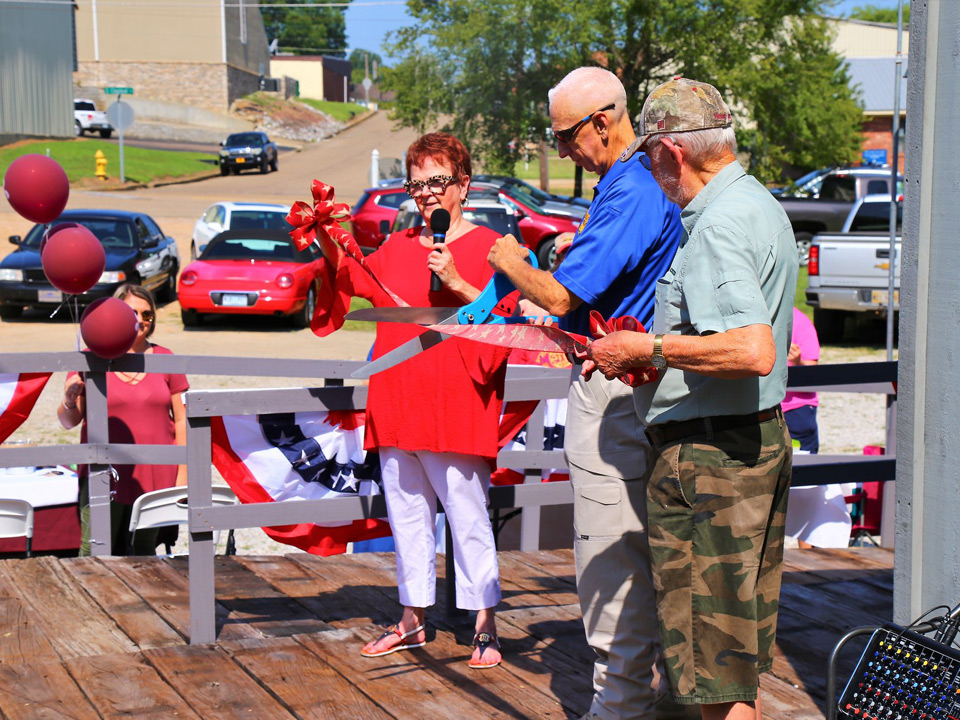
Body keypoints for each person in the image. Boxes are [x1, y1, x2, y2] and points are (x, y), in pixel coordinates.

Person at [583, 78, 798, 720]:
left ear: (673, 152)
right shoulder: (757, 203)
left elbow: (752, 349)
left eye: (650, 157)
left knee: (714, 678)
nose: (650, 171)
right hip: (746, 445)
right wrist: (664, 361)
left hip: (711, 464)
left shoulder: (717, 226)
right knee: (730, 665)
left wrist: (648, 351)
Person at [488, 66, 684, 719]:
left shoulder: (630, 187)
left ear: (603, 121)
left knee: (609, 554)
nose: (563, 149)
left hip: (618, 394)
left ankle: (620, 705)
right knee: (649, 551)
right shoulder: (646, 176)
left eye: (566, 136)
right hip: (651, 390)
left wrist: (512, 262)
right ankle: (659, 696)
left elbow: (565, 295)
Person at [331, 133, 510, 668]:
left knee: (467, 516)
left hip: (455, 404)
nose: (427, 192)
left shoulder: (493, 248)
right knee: (407, 518)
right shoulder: (396, 245)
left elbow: (503, 328)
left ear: (463, 186)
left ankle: (485, 626)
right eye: (418, 182)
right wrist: (326, 238)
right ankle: (412, 618)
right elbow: (348, 282)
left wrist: (456, 281)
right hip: (399, 399)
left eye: (438, 181)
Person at [58, 284, 188, 555]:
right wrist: (70, 400)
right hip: (105, 474)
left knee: (144, 553)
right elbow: (68, 421)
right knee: (94, 552)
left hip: (156, 474)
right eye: (131, 313)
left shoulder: (167, 358)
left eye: (147, 314)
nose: (140, 320)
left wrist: (183, 474)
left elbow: (182, 421)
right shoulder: (90, 358)